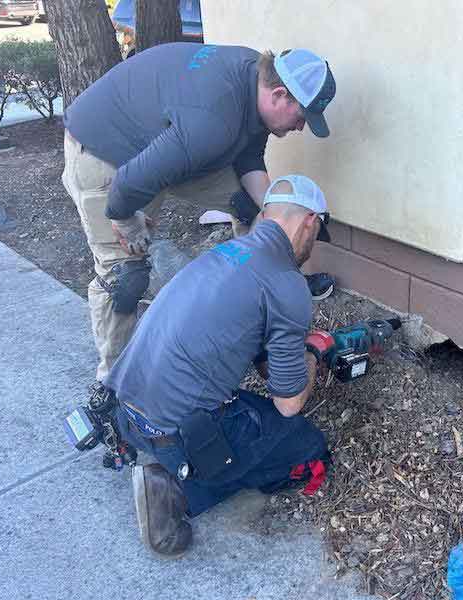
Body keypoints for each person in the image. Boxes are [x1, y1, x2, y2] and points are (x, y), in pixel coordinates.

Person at [61, 43, 337, 390]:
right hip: (107, 154)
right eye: (302, 117)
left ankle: (263, 296)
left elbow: (248, 154)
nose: (301, 127)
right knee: (124, 278)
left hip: (169, 144)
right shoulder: (212, 121)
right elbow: (128, 185)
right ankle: (114, 384)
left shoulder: (255, 78)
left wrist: (274, 212)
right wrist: (127, 222)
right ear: (279, 94)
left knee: (247, 206)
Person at [104, 175, 336, 557]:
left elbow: (248, 348)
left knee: (241, 407)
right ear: (310, 221)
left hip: (126, 413)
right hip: (176, 436)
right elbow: (288, 403)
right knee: (306, 445)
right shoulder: (286, 283)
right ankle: (176, 488)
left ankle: (159, 456)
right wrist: (312, 352)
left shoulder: (224, 255)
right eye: (317, 235)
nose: (311, 250)